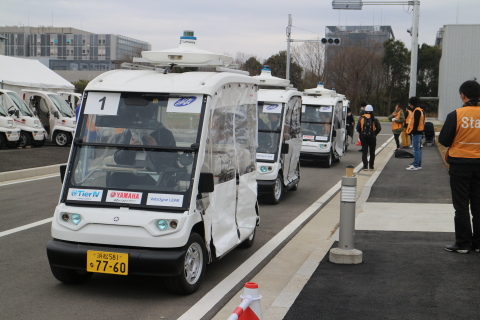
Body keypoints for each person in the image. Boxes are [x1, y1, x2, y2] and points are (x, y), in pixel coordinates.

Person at [439, 80, 480, 253]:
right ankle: (478, 243)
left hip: (460, 164)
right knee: (478, 204)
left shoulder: (455, 115)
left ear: (463, 96)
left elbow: (444, 140)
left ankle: (463, 243)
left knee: (461, 204)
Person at [356, 105, 381, 171]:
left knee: (364, 152)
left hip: (363, 137)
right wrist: (375, 133)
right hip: (372, 137)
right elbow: (379, 128)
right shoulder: (374, 119)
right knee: (372, 152)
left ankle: (365, 166)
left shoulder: (361, 118)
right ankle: (371, 166)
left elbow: (358, 128)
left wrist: (361, 133)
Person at [405, 97, 425, 170]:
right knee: (418, 149)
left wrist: (412, 132)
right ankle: (418, 164)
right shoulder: (421, 110)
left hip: (416, 132)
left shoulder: (416, 111)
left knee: (416, 149)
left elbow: (415, 123)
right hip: (420, 131)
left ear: (411, 103)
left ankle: (416, 165)